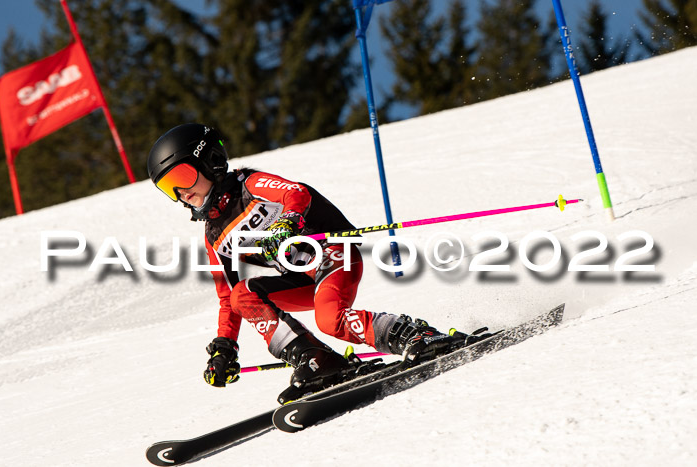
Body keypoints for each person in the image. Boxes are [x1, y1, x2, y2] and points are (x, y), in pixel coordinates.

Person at [147, 123, 487, 403]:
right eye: (169, 189)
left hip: (332, 256)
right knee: (241, 296)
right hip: (301, 280)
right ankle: (317, 360)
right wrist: (225, 347)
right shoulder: (214, 234)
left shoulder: (248, 184)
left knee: (330, 320)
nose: (181, 194)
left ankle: (413, 334)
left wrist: (288, 221)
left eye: (183, 179)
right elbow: (226, 298)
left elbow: (297, 193)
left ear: (210, 162)